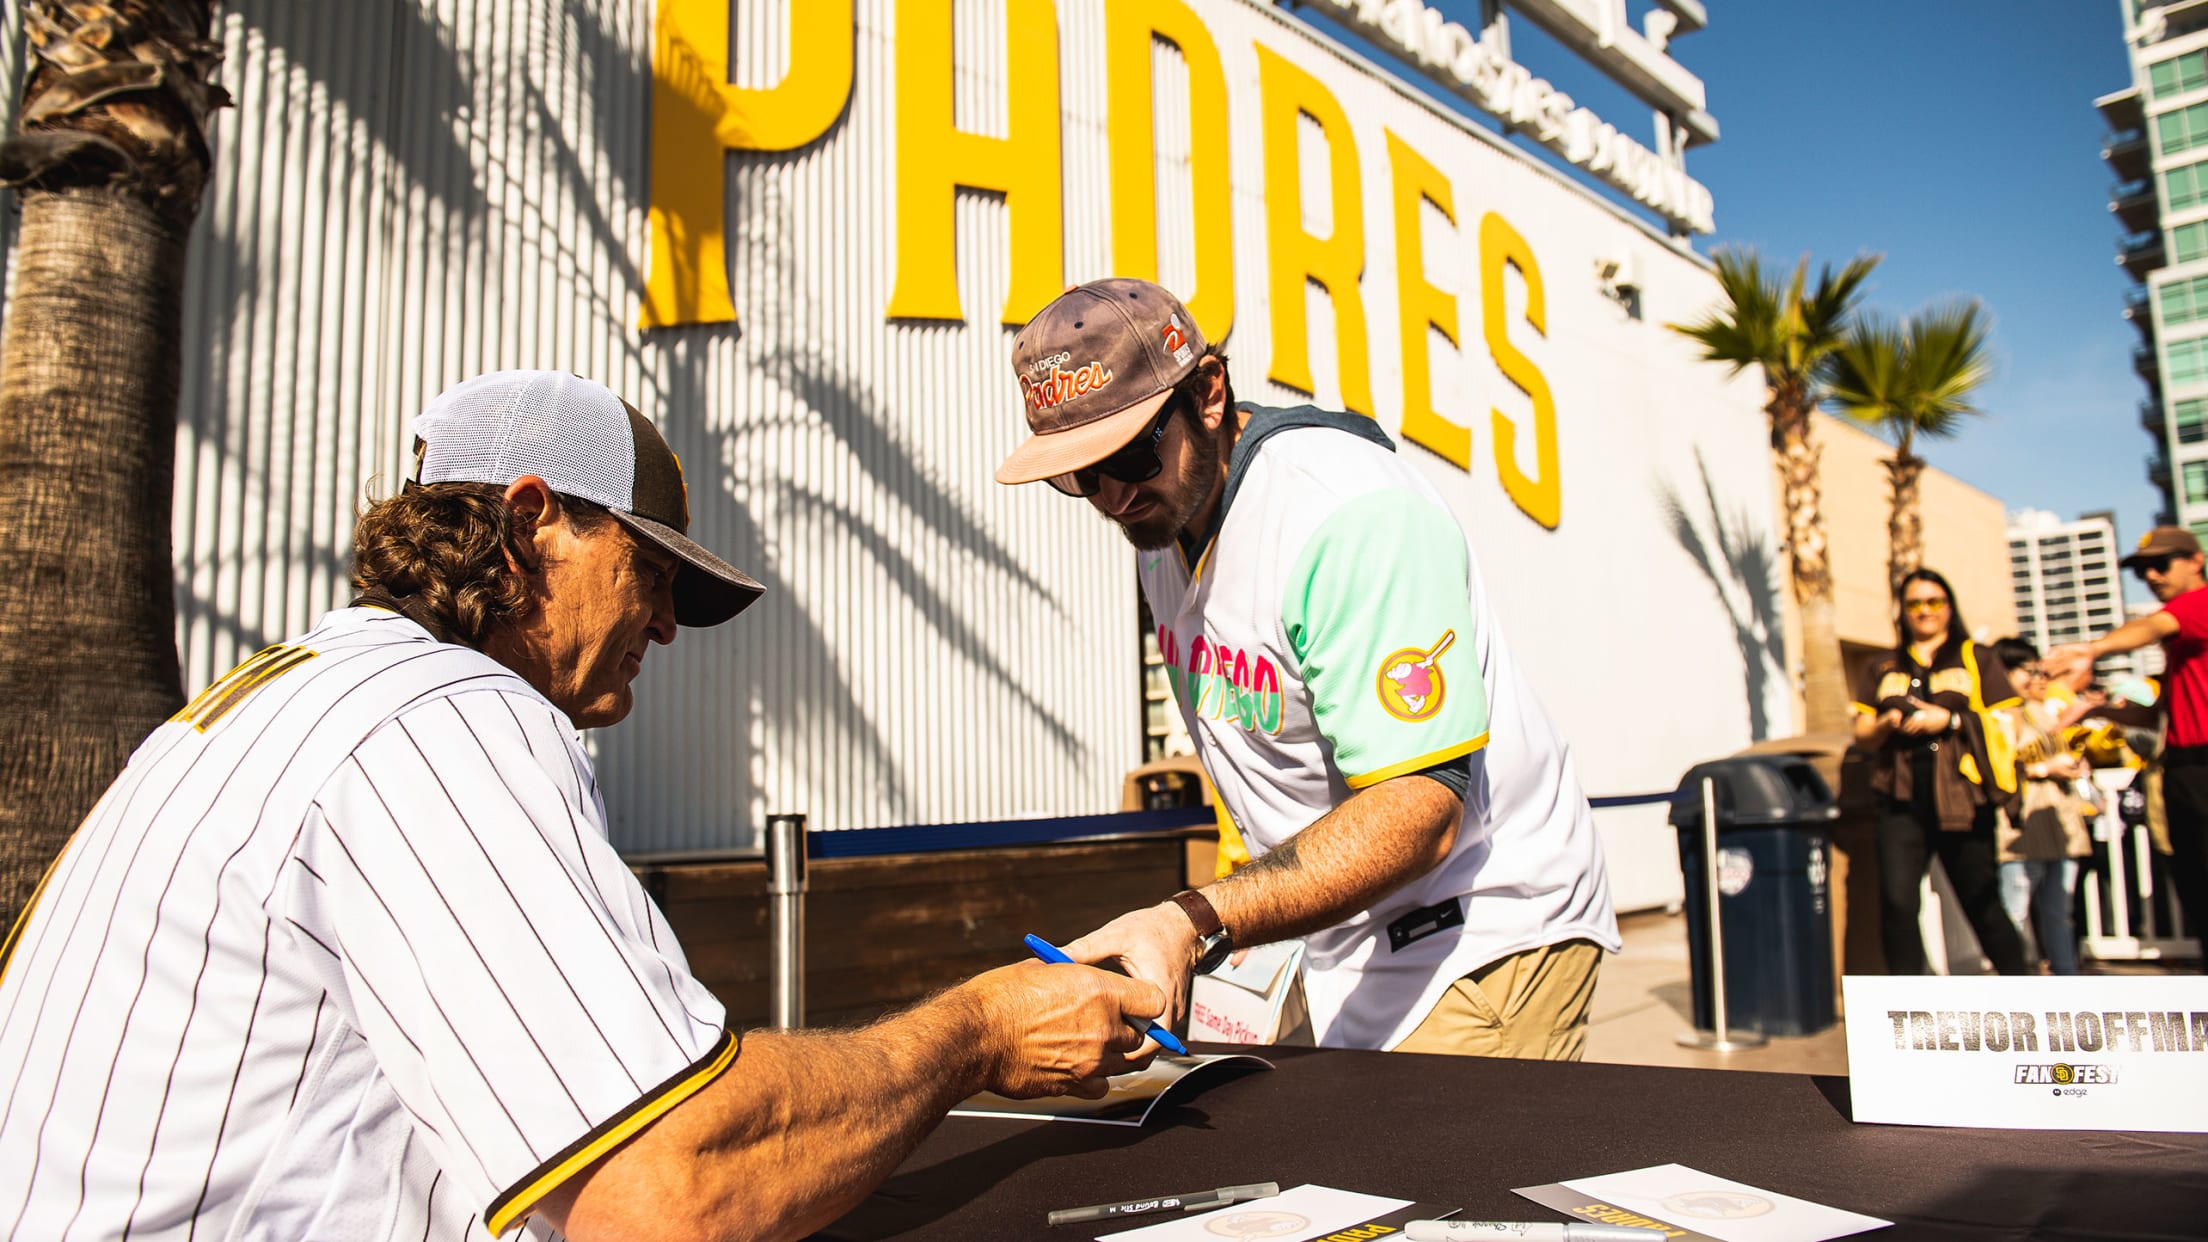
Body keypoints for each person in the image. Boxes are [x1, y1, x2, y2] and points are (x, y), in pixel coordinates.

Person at [0, 371, 1163, 1240]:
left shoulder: (295, 690)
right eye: (649, 572)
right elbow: (667, 1192)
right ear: (526, 523)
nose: (663, 624)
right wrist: (977, 1030)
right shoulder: (444, 712)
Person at [993, 279, 1618, 1058]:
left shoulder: (1344, 513)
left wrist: (1199, 917)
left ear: (1209, 392)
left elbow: (1420, 806)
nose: (1112, 495)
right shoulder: (1167, 521)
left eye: (1128, 451)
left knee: (1428, 1179)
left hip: (1479, 927)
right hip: (1326, 933)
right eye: (1079, 473)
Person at [1849, 569, 2030, 976]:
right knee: (1897, 904)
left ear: (1949, 607)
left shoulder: (1977, 657)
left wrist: (1947, 721)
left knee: (1981, 901)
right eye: (1915, 603)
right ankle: (1905, 1012)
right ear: (1902, 610)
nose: (1925, 611)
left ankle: (2027, 994)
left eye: (1934, 602)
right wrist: (1887, 722)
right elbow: (1861, 734)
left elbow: (2010, 723)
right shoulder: (1882, 665)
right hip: (1899, 800)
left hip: (1964, 800)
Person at [2047, 525, 2208, 973]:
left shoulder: (2197, 605)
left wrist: (2092, 648)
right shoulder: (2183, 643)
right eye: (2142, 571)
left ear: (2196, 561)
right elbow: (2162, 716)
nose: (2152, 576)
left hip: (2201, 767)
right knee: (2193, 886)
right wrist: (2100, 713)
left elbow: (2154, 624)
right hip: (2181, 768)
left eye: (2161, 564)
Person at [1991, 637, 2093, 975]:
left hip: (2059, 820)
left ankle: (2067, 980)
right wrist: (2047, 768)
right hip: (2020, 824)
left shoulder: (2044, 712)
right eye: (2028, 670)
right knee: (2015, 912)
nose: (2038, 678)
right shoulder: (1997, 714)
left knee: (2060, 911)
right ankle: (2019, 987)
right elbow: (2001, 766)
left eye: (2040, 670)